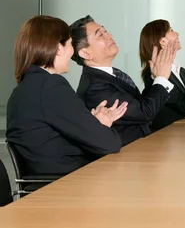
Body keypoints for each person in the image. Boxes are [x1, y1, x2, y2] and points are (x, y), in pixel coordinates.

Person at [6, 15, 126, 176]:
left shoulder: (25, 89)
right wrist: (102, 125)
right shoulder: (51, 87)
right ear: (58, 48)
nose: (72, 52)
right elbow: (109, 143)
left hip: (47, 186)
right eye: (70, 44)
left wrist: (93, 125)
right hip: (67, 186)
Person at [70, 15, 176, 145]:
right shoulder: (95, 88)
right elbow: (144, 112)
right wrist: (161, 78)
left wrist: (156, 77)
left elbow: (138, 105)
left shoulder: (112, 74)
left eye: (105, 30)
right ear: (86, 54)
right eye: (100, 35)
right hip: (127, 157)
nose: (109, 35)